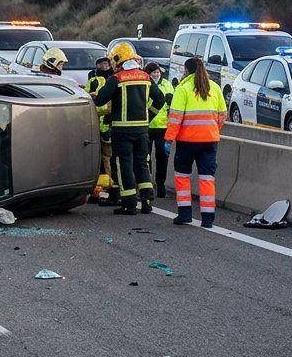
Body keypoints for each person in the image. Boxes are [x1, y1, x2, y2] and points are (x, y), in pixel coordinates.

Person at [91, 42, 166, 215]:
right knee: (141, 164)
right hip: (142, 130)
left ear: (118, 60)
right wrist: (147, 116)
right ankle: (147, 201)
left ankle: (129, 204)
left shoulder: (117, 79)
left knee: (124, 165)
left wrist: (92, 95)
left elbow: (101, 99)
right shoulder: (145, 77)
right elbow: (160, 100)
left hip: (122, 131)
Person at [164, 56, 227, 228]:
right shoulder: (214, 87)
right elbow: (222, 115)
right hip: (209, 141)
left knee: (182, 177)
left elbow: (175, 118)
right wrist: (212, 129)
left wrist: (169, 139)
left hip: (187, 141)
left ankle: (184, 214)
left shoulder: (183, 88)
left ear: (186, 70)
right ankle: (208, 218)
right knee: (207, 179)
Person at [84, 56, 115, 204]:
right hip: (96, 123)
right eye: (102, 63)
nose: (105, 65)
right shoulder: (94, 81)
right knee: (97, 158)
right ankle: (98, 187)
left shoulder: (115, 79)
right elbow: (88, 100)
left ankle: (111, 186)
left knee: (108, 157)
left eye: (107, 63)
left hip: (109, 124)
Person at [145, 61, 175, 194]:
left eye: (158, 72)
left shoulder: (167, 85)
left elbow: (171, 105)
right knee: (146, 157)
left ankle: (160, 184)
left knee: (162, 155)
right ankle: (147, 183)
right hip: (147, 125)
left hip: (162, 126)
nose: (156, 75)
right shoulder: (145, 84)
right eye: (154, 73)